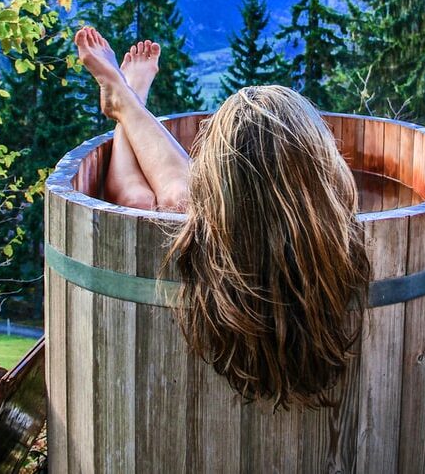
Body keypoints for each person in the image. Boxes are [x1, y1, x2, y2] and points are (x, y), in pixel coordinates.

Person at [75, 26, 370, 409]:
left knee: (152, 199)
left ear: (216, 175)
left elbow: (193, 195)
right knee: (172, 196)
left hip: (213, 221)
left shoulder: (203, 232)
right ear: (320, 165)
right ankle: (128, 102)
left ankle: (126, 104)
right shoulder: (334, 227)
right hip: (244, 216)